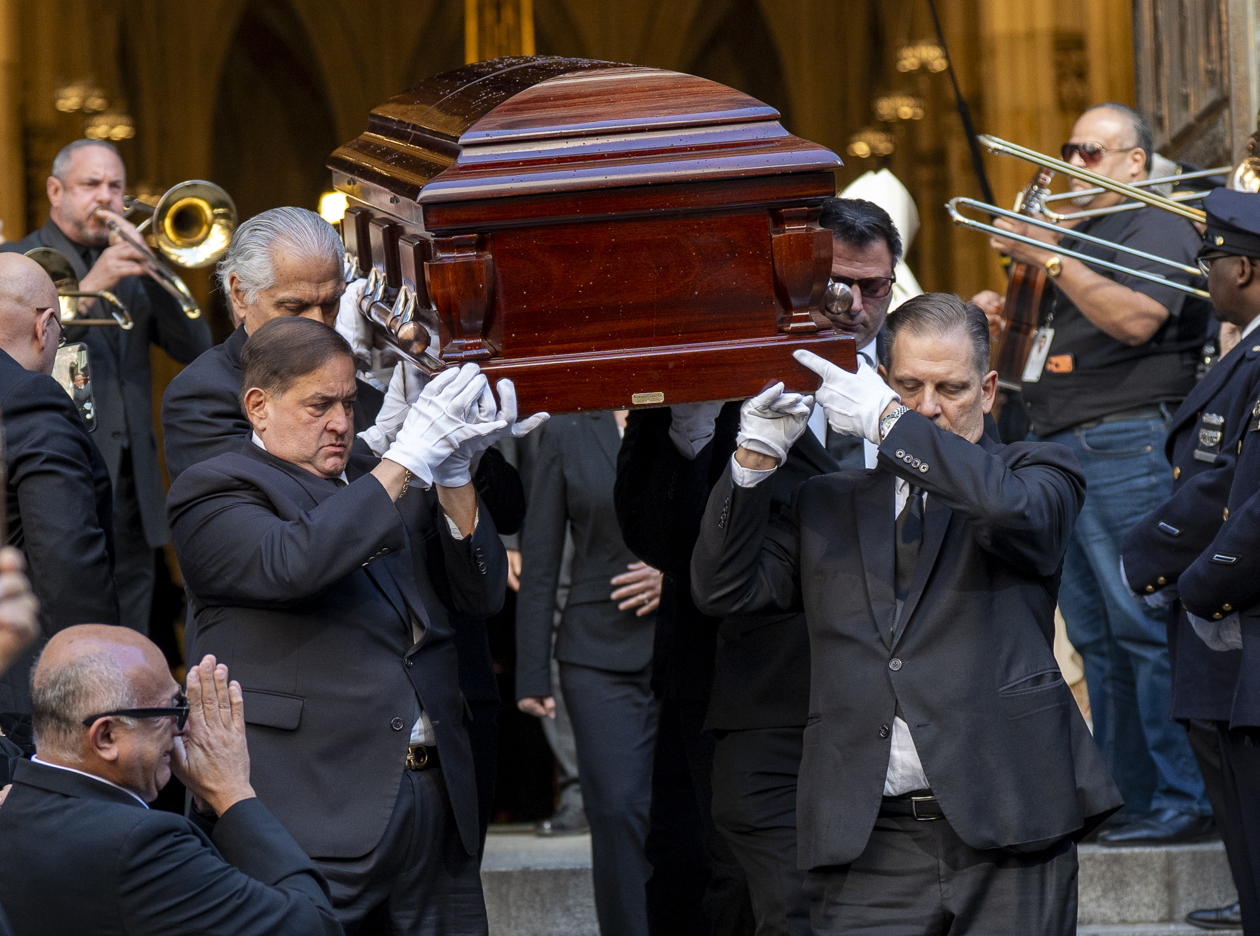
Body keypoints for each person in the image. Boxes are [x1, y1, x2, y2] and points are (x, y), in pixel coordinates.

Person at [690, 293, 1121, 934]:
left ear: (988, 390)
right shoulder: (826, 499)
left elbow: (1011, 513)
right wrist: (752, 461)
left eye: (951, 388)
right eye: (908, 388)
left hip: (1008, 823)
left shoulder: (1034, 473)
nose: (927, 407)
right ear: (883, 380)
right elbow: (723, 590)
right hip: (868, 838)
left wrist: (889, 423)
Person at [162, 208, 525, 849]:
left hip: (436, 736)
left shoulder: (351, 376)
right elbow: (286, 547)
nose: (318, 323)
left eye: (330, 305)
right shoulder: (206, 394)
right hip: (319, 763)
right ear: (239, 294)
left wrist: (456, 461)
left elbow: (498, 518)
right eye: (294, 306)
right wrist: (394, 456)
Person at [167, 317, 540, 932]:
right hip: (313, 807)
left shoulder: (377, 476)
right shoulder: (215, 487)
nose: (342, 421)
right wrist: (406, 459)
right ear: (258, 407)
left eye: (347, 402)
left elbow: (481, 594)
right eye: (319, 406)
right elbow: (293, 562)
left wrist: (454, 477)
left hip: (434, 797)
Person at [615, 197, 895, 936]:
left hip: (878, 688)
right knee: (720, 884)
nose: (855, 304)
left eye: (874, 287)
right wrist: (696, 424)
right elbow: (656, 536)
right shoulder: (720, 372)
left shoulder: (914, 379)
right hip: (733, 683)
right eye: (836, 283)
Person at [981, 102, 1213, 843]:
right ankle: (1128, 796)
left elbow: (1138, 319)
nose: (1072, 165)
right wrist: (1002, 318)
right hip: (1059, 443)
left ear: (1135, 162)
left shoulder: (1155, 221)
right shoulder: (1082, 232)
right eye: (1068, 149)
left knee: (1142, 622)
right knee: (1097, 635)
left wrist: (1051, 255)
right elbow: (1051, 341)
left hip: (1122, 440)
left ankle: (1185, 797)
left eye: (1090, 152)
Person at [0, 625, 342, 935]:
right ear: (106, 737)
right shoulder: (139, 846)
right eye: (171, 711)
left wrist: (207, 808)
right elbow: (315, 926)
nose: (184, 728)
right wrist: (232, 792)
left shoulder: (12, 806)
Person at [0, 139, 213, 635]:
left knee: (128, 631)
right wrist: (91, 286)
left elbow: (196, 345)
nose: (107, 197)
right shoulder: (16, 262)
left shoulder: (133, 269)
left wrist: (155, 267)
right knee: (63, 623)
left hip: (133, 483)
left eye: (116, 186)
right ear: (56, 191)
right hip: (51, 470)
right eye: (91, 184)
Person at [1120, 188, 1260, 931]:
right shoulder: (1245, 347)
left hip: (1234, 606)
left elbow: (1237, 490)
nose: (1204, 275)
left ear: (1243, 269)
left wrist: (1189, 582)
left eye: (1211, 260)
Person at [516, 410, 662, 936]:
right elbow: (540, 555)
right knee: (618, 811)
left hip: (688, 648)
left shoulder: (692, 410)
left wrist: (677, 575)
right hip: (597, 654)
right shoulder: (567, 429)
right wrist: (532, 671)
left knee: (685, 815)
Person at [0, 253, 117, 717]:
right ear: (44, 327)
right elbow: (68, 559)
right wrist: (98, 683)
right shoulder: (29, 396)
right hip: (22, 686)